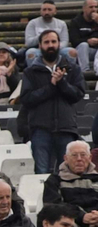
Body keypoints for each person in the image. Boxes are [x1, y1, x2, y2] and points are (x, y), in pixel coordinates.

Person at [21, 30, 84, 174]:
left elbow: (77, 95)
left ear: (59, 44)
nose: (50, 45)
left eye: (54, 42)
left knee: (68, 172)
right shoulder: (30, 72)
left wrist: (62, 83)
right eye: (47, 42)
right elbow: (27, 99)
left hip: (66, 128)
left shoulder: (72, 69)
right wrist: (51, 86)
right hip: (40, 129)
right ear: (40, 45)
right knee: (41, 172)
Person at [43, 139, 98, 227]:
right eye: (74, 155)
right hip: (72, 222)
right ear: (66, 159)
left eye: (83, 155)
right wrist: (81, 216)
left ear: (90, 158)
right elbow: (52, 207)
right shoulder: (55, 180)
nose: (79, 159)